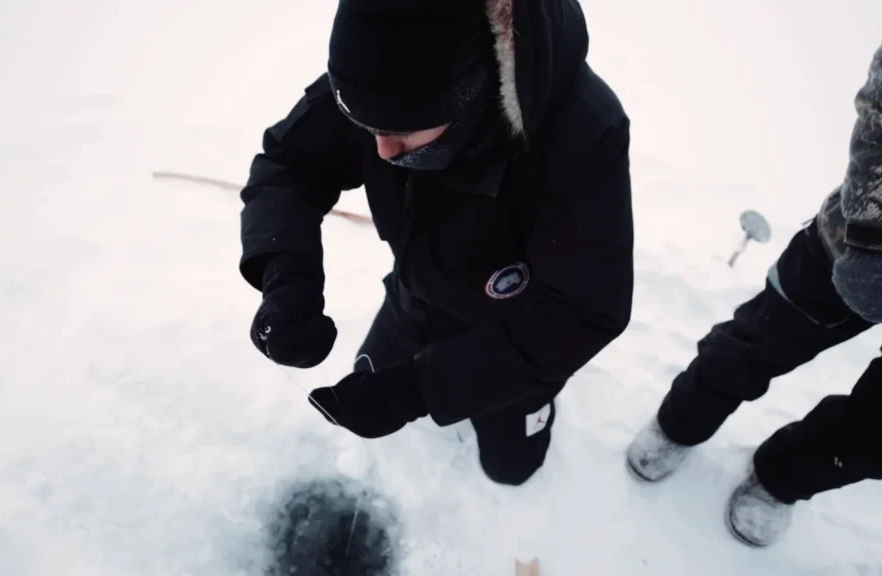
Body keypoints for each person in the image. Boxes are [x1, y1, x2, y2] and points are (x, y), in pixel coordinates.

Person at [238, 0, 634, 487]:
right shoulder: (376, 80)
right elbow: (289, 163)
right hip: (414, 299)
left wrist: (421, 390)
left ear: (469, 96)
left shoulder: (584, 132)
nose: (381, 150)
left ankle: (529, 415)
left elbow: (583, 312)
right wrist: (284, 274)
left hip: (513, 333)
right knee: (366, 388)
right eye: (367, 127)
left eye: (399, 131)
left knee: (511, 468)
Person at [626, 0, 882, 548]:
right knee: (759, 340)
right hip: (868, 240)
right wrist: (881, 239)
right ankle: (680, 421)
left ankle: (783, 477)